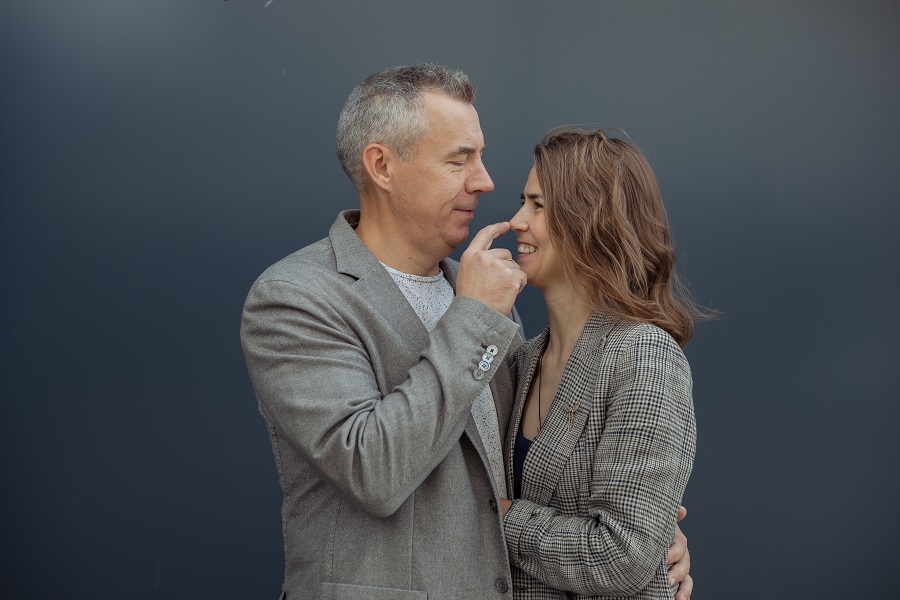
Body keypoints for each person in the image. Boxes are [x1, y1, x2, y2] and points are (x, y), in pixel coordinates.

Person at [240, 64, 692, 600]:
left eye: (480, 157)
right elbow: (372, 470)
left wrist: (650, 538)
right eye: (459, 160)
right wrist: (475, 315)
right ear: (382, 166)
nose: (485, 181)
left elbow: (528, 479)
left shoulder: (489, 303)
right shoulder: (297, 297)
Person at [499, 129, 700, 599]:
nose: (517, 221)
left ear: (588, 220)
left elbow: (622, 555)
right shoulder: (521, 362)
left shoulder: (643, 356)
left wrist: (499, 517)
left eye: (538, 206)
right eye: (522, 203)